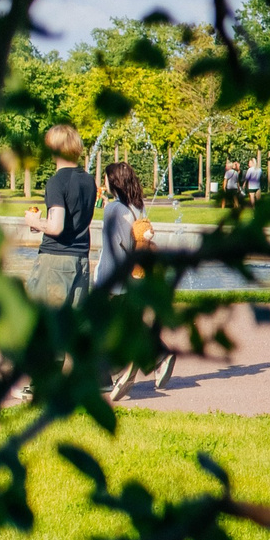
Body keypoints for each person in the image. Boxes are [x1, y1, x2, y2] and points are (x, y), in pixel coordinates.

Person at [99, 161, 175, 399]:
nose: (103, 183)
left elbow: (120, 245)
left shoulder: (113, 210)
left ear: (114, 183)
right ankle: (156, 355)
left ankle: (120, 371)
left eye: (105, 179)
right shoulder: (138, 208)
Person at [30, 123, 96, 308]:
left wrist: (34, 221)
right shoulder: (89, 181)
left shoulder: (56, 182)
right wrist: (43, 223)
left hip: (56, 259)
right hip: (81, 258)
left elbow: (56, 227)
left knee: (46, 323)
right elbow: (73, 219)